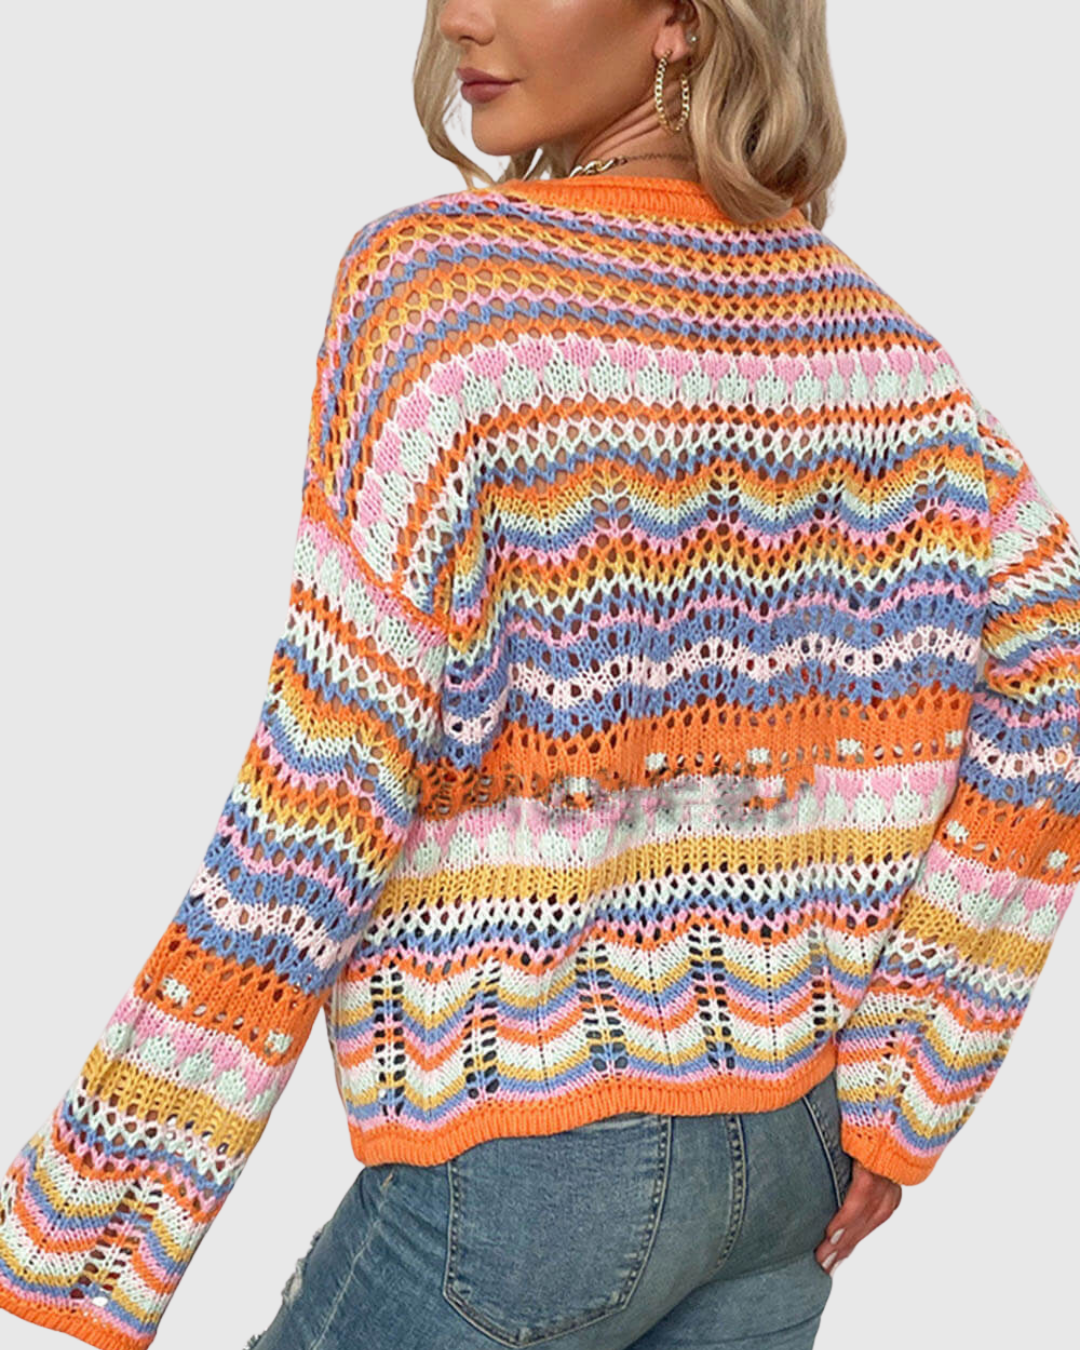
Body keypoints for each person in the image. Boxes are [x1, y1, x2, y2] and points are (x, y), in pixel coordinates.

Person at [2, 2, 1078, 1347]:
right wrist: (911, 1073)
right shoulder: (886, 353)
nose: (463, 14)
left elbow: (333, 769)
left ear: (683, 19)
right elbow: (1055, 672)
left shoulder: (442, 294)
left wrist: (118, 1191)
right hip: (797, 1154)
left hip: (533, 1162)